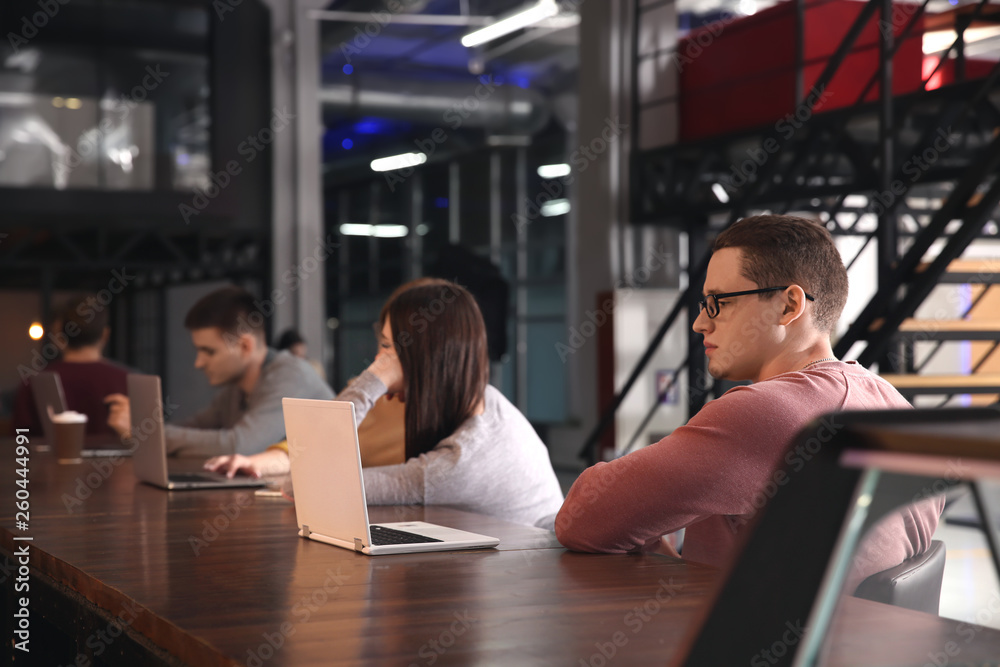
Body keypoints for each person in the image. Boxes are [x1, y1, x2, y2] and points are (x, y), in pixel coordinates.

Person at [555, 214, 943, 576]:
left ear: (788, 305)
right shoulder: (894, 405)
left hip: (752, 630)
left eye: (719, 303)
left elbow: (581, 518)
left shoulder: (764, 412)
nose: (700, 322)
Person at [206, 279, 565, 529]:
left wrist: (374, 379)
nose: (379, 361)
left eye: (389, 349)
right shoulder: (486, 400)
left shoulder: (453, 466)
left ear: (423, 358)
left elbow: (303, 485)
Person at [105, 286, 334, 457]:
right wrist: (144, 424)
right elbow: (193, 429)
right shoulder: (236, 389)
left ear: (245, 346)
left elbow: (240, 445)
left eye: (209, 351)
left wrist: (144, 432)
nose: (198, 363)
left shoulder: (291, 376)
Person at [12, 293, 129, 439]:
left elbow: (20, 442)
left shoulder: (33, 382)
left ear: (59, 337)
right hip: (117, 455)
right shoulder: (128, 381)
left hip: (49, 455)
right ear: (105, 334)